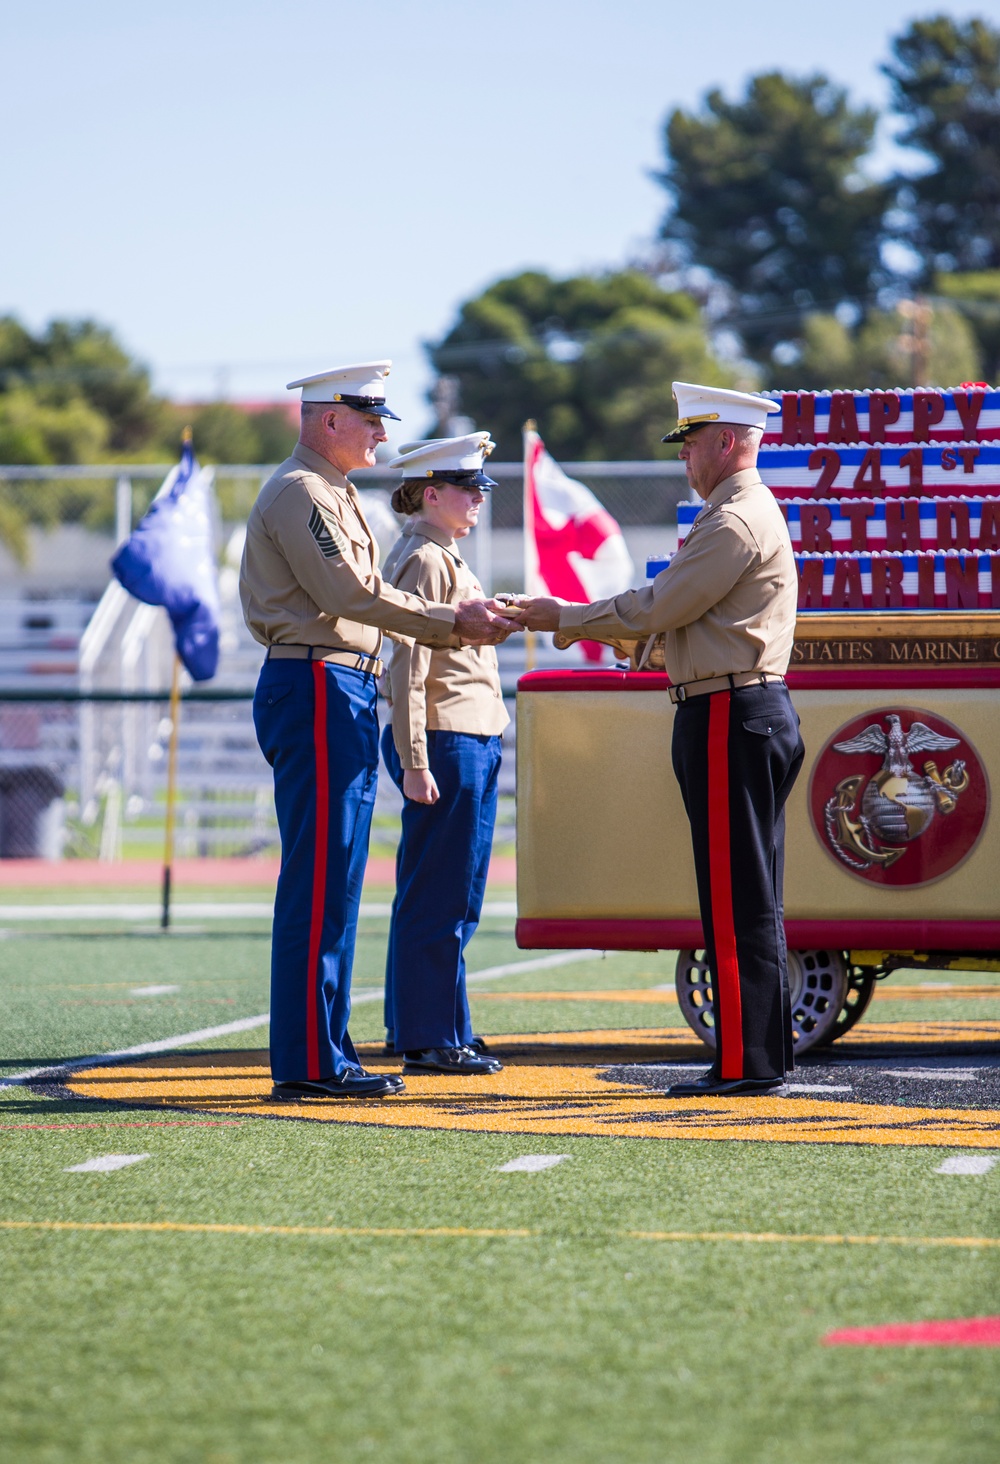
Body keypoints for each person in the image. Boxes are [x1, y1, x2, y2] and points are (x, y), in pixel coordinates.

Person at [506, 381, 804, 1096]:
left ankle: (745, 1062)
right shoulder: (736, 513)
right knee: (746, 895)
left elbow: (662, 604)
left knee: (736, 899)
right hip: (737, 710)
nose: (687, 459)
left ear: (727, 442)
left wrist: (561, 616)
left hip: (731, 715)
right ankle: (756, 1054)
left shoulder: (733, 519)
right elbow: (686, 617)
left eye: (693, 443)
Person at [239, 362, 517, 1102]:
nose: (382, 433)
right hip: (317, 680)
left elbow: (356, 596)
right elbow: (348, 593)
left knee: (338, 880)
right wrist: (447, 620)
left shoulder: (329, 493)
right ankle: (309, 1060)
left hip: (340, 683)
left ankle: (326, 1047)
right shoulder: (303, 492)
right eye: (370, 418)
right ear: (330, 420)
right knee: (321, 880)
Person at [380, 433, 509, 1076]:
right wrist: (415, 757)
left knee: (446, 890)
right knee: (443, 893)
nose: (477, 498)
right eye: (466, 487)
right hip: (447, 734)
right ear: (431, 494)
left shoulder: (439, 554)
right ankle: (430, 1036)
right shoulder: (427, 559)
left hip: (462, 732)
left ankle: (432, 1022)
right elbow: (407, 663)